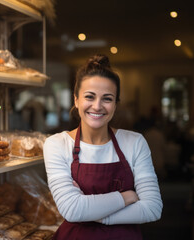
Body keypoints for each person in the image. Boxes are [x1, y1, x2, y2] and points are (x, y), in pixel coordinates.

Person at [43, 54, 163, 240]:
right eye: (89, 97)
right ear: (76, 100)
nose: (97, 106)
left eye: (107, 99)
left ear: (115, 104)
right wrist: (126, 197)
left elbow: (153, 208)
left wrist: (96, 215)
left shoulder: (135, 142)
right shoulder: (56, 144)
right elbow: (72, 209)